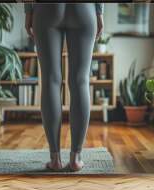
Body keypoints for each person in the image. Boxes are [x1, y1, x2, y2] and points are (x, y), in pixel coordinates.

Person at [24, 3, 104, 171]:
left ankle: (55, 159)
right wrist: (99, 12)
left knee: (50, 80)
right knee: (80, 81)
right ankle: (76, 158)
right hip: (84, 8)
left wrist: (28, 11)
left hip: (46, 9)